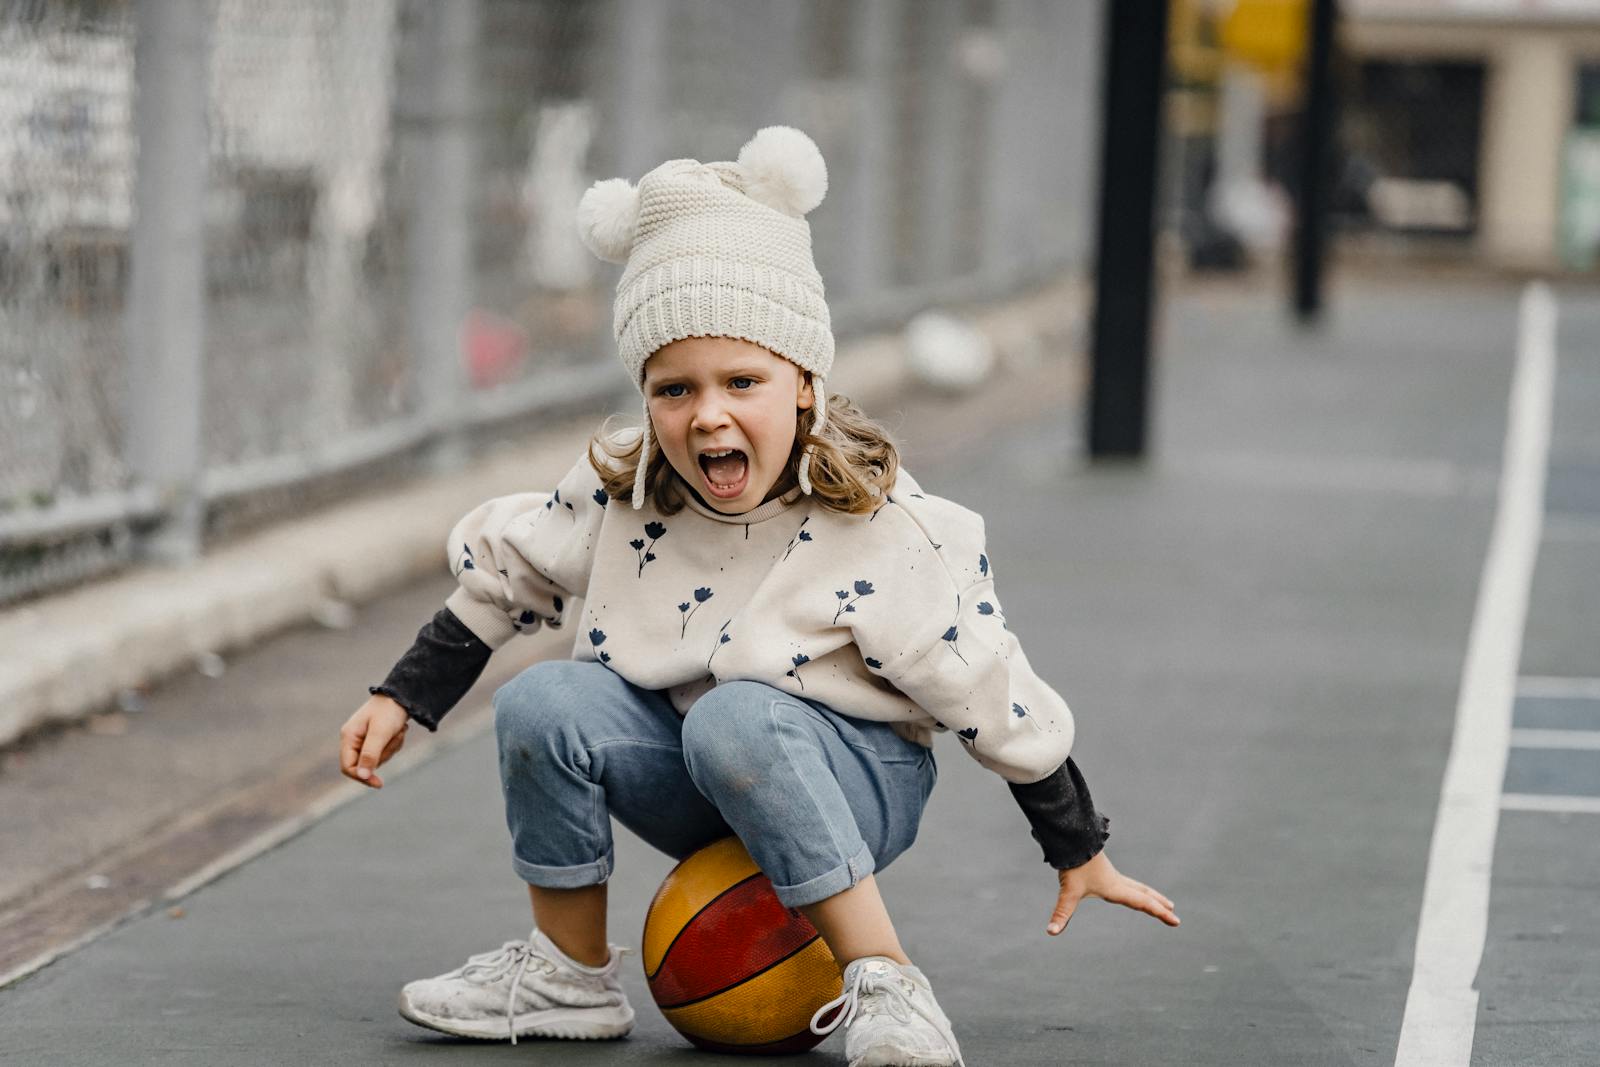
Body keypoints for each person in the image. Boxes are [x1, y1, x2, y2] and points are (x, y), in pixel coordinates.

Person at [338, 126, 1178, 1066]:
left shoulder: (878, 524)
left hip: (857, 780)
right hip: (702, 772)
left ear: (806, 386)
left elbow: (983, 682)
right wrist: (403, 693)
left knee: (736, 715)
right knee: (542, 699)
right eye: (674, 388)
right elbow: (513, 569)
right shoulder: (623, 493)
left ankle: (892, 984)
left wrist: (1077, 843)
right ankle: (567, 974)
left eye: (744, 380)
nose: (708, 414)